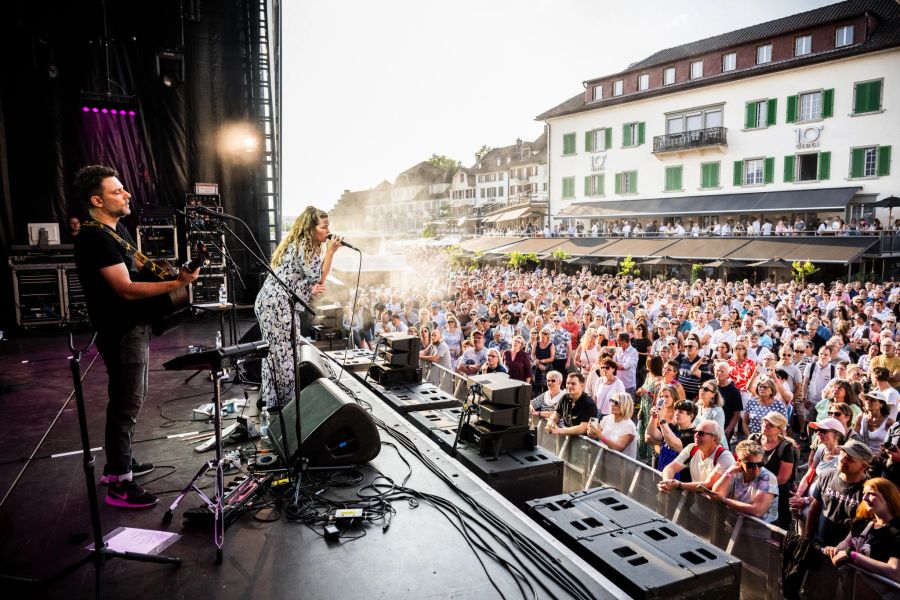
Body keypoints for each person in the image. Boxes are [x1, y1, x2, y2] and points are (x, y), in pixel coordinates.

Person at [74, 165, 199, 509]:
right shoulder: (94, 237)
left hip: (134, 327)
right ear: (96, 199)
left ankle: (119, 465)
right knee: (126, 403)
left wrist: (177, 273)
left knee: (131, 398)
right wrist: (176, 285)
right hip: (121, 329)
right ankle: (119, 482)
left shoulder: (116, 232)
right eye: (117, 191)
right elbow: (125, 289)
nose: (127, 194)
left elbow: (139, 270)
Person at [255, 206, 342, 408]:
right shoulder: (305, 245)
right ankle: (287, 406)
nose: (328, 231)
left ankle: (271, 402)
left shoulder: (300, 244)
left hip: (273, 303)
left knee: (274, 354)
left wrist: (308, 289)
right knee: (285, 355)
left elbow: (295, 277)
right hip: (277, 306)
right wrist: (331, 252)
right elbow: (319, 276)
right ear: (311, 228)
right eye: (324, 226)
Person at [823, 477, 900, 584]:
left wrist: (853, 555)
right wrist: (835, 550)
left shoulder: (896, 532)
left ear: (889, 498)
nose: (864, 497)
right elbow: (847, 542)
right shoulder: (862, 522)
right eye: (864, 493)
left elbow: (895, 573)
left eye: (871, 494)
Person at [806, 439, 874, 546]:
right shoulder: (826, 475)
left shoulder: (869, 490)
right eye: (842, 454)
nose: (842, 460)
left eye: (849, 459)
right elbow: (814, 508)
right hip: (819, 543)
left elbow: (865, 525)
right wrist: (808, 537)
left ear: (864, 466)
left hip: (844, 552)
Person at [709, 440, 779, 524]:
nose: (756, 468)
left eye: (760, 464)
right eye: (751, 465)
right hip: (735, 524)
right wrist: (729, 473)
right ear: (739, 461)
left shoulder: (767, 477)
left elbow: (757, 511)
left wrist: (725, 500)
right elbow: (716, 493)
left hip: (759, 529)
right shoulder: (734, 471)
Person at [749, 412, 798, 529]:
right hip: (752, 488)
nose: (765, 426)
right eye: (764, 422)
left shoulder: (785, 447)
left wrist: (760, 486)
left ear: (780, 430)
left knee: (779, 527)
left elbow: (782, 478)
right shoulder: (753, 439)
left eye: (771, 425)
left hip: (777, 494)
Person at [658, 419, 735, 492]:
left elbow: (708, 485)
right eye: (695, 431)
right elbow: (670, 468)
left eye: (701, 433)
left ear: (715, 438)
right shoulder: (692, 448)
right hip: (700, 501)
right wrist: (666, 482)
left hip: (718, 505)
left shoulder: (724, 457)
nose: (696, 435)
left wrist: (679, 485)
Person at [586, 392, 638, 458]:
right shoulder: (607, 418)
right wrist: (590, 430)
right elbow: (594, 435)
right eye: (612, 401)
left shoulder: (629, 426)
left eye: (616, 403)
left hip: (620, 465)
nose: (612, 404)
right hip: (603, 459)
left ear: (625, 406)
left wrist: (599, 435)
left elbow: (618, 448)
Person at [545, 372, 597, 437]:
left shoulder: (589, 404)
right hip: (567, 440)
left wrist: (560, 431)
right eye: (568, 383)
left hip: (582, 444)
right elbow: (557, 414)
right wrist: (551, 422)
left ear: (582, 386)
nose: (569, 386)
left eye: (573, 384)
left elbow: (583, 428)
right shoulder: (565, 397)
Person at [419, 328, 453, 394]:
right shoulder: (433, 343)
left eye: (435, 335)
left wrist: (420, 357)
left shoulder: (443, 345)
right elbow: (424, 352)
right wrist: (414, 353)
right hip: (437, 374)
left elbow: (435, 358)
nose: (433, 337)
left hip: (445, 375)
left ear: (440, 336)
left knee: (445, 394)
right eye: (432, 335)